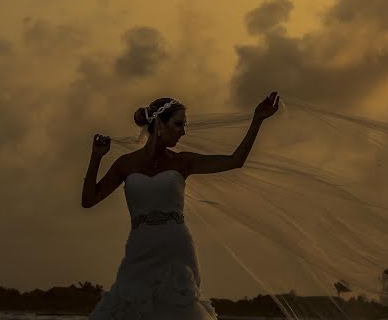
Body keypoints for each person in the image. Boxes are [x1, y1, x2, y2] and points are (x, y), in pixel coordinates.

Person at [82, 91, 281, 319]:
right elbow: (89, 201)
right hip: (140, 248)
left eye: (184, 125)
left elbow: (235, 161)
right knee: (130, 304)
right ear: (159, 124)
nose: (183, 132)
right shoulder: (125, 164)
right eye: (178, 124)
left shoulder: (183, 161)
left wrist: (257, 120)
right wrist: (96, 157)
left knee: (180, 306)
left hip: (176, 249)